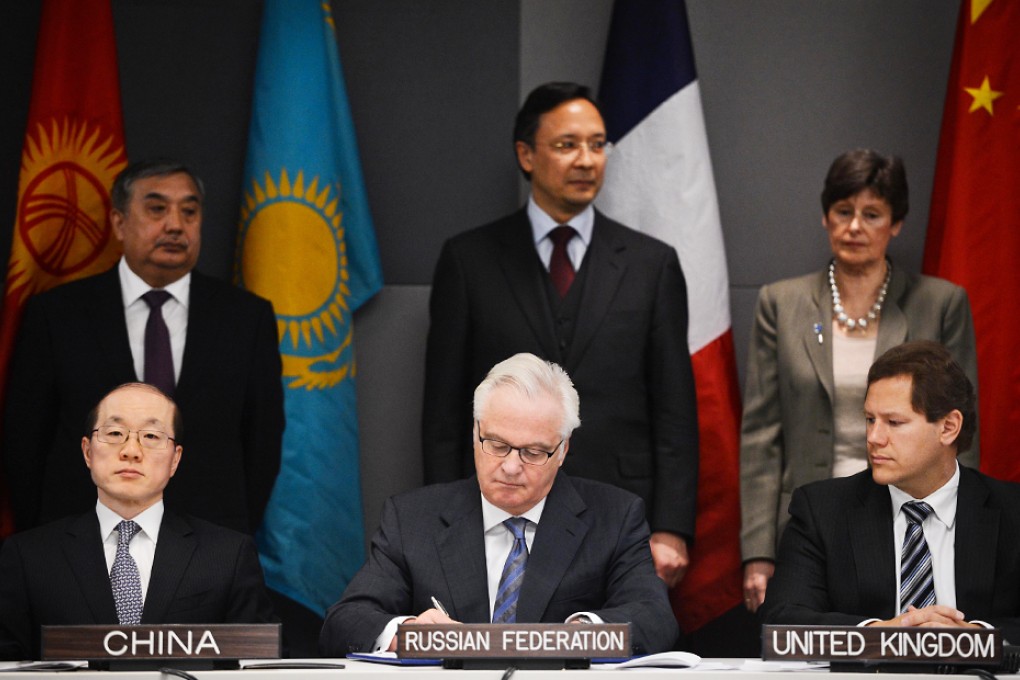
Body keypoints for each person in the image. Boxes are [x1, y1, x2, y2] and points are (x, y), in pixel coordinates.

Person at [422, 82, 698, 588]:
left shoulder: (651, 264)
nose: (587, 160)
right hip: (497, 515)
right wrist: (447, 521)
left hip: (622, 516)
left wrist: (672, 528)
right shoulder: (469, 261)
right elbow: (443, 416)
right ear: (526, 154)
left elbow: (675, 412)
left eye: (598, 144)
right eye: (567, 145)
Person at [740, 149, 978, 613]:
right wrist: (758, 552)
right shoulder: (781, 303)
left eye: (872, 214)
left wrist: (964, 537)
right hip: (809, 527)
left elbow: (961, 433)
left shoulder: (941, 302)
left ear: (896, 224)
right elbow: (761, 437)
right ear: (826, 217)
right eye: (843, 212)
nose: (854, 227)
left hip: (910, 518)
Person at [322, 353, 678, 656]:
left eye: (533, 452)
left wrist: (579, 635)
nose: (510, 466)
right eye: (496, 444)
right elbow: (345, 620)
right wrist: (410, 633)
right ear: (476, 432)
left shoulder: (614, 518)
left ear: (563, 449)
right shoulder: (413, 519)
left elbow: (655, 618)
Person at [3, 158, 284, 535]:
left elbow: (262, 442)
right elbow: (25, 438)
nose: (175, 225)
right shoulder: (58, 314)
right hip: (77, 539)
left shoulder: (247, 318)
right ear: (119, 222)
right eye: (156, 209)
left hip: (208, 542)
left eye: (189, 211)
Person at [761, 341, 1020, 643]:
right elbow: (782, 622)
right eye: (870, 420)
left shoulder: (1012, 512)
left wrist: (973, 639)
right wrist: (881, 636)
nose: (873, 437)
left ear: (948, 427)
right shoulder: (822, 510)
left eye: (894, 422)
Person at [0, 383, 276, 661]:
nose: (131, 450)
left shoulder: (228, 556)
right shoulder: (28, 557)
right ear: (87, 452)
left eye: (151, 436)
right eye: (115, 433)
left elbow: (262, 665)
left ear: (175, 459)